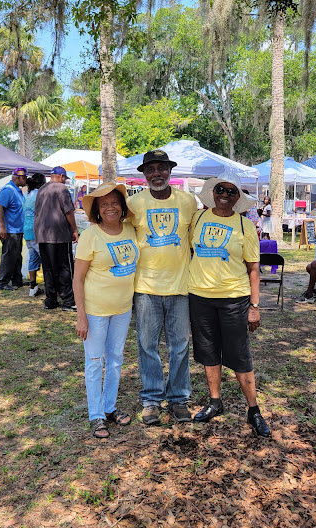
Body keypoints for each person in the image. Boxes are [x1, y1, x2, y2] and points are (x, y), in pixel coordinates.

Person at [188, 170, 270, 437]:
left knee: (239, 354)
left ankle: (253, 410)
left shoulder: (245, 226)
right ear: (212, 193)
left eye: (231, 192)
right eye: (220, 190)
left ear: (238, 198)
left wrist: (254, 307)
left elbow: (254, 270)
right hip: (199, 296)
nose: (224, 195)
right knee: (208, 350)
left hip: (234, 299)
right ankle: (214, 402)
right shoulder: (197, 218)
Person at [127, 149, 197, 425]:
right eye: (151, 169)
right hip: (145, 287)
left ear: (170, 171)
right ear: (144, 174)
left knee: (179, 346)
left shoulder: (188, 201)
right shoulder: (133, 204)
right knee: (147, 345)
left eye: (161, 168)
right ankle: (152, 399)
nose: (157, 174)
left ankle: (179, 399)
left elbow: (195, 241)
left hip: (181, 286)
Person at [74, 183, 138, 439]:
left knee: (115, 360)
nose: (110, 208)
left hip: (123, 308)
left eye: (114, 203)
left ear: (122, 207)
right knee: (94, 362)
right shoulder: (91, 235)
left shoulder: (131, 230)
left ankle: (109, 407)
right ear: (97, 210)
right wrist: (81, 316)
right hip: (96, 310)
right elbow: (78, 279)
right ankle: (96, 415)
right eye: (104, 204)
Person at [34, 166, 78, 311]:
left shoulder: (41, 189)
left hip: (42, 234)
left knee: (48, 268)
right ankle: (68, 301)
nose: (65, 181)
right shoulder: (61, 189)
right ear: (60, 176)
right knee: (65, 268)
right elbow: (69, 212)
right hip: (59, 234)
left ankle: (50, 300)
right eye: (65, 178)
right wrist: (75, 229)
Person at [0, 167, 28, 291]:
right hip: (9, 230)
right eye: (24, 177)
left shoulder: (17, 190)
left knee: (17, 256)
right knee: (9, 256)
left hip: (17, 229)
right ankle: (1, 283)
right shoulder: (8, 190)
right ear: (18, 177)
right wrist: (2, 227)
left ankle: (17, 280)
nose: (26, 180)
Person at [23, 173, 46, 297]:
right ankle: (51, 287)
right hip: (37, 231)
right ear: (42, 183)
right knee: (46, 259)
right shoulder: (39, 194)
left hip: (27, 231)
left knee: (33, 258)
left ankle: (33, 287)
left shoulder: (27, 194)